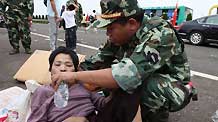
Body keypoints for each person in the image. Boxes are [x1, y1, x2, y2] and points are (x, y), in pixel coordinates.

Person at [51, 0, 197, 122]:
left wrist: (74, 76)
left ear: (132, 24)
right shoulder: (120, 35)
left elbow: (126, 76)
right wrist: (67, 76)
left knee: (143, 86)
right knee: (103, 79)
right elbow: (95, 62)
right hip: (140, 77)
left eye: (110, 28)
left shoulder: (160, 33)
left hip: (172, 86)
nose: (107, 33)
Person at [27, 46, 110, 122]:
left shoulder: (83, 86)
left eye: (69, 65)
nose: (63, 69)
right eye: (57, 65)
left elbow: (104, 105)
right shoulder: (43, 91)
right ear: (50, 69)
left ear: (76, 71)